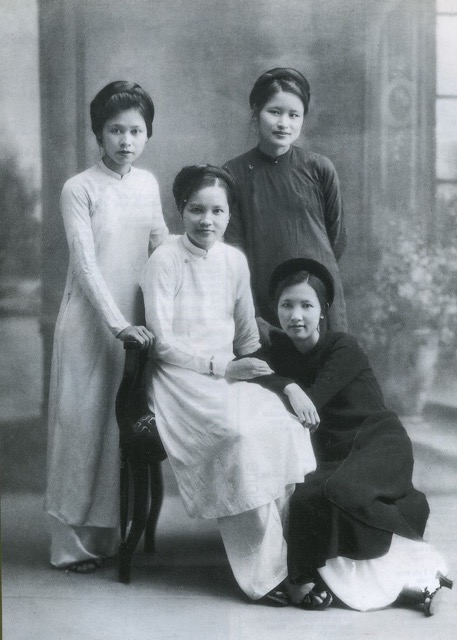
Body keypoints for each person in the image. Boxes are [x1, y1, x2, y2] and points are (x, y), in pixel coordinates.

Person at [140, 165, 316, 604]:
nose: (207, 221)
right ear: (180, 209)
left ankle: (298, 563)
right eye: (197, 209)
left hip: (226, 376)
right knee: (238, 437)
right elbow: (161, 345)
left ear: (228, 212)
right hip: (178, 380)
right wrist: (222, 366)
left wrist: (278, 381)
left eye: (217, 210)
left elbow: (249, 338)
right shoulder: (164, 259)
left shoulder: (233, 260)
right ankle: (265, 576)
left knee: (281, 426)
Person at [255, 257, 452, 614]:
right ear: (276, 308)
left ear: (323, 311)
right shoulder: (279, 352)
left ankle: (414, 570)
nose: (296, 315)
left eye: (306, 305)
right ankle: (386, 583)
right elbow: (250, 371)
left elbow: (313, 399)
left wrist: (296, 391)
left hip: (379, 443)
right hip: (335, 454)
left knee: (336, 493)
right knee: (303, 498)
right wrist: (286, 385)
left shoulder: (343, 347)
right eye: (287, 305)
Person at [45, 81, 169, 573]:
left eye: (136, 130)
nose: (125, 140)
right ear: (99, 132)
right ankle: (67, 545)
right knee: (79, 426)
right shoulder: (79, 188)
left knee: (115, 431)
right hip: (89, 323)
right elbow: (87, 265)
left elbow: (161, 245)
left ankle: (105, 537)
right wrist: (118, 325)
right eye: (115, 130)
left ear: (147, 134)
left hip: (133, 328)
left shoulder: (147, 184)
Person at [223, 67, 347, 335]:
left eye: (294, 115)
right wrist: (252, 312)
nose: (284, 123)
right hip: (264, 299)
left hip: (318, 296)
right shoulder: (234, 173)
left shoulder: (320, 168)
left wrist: (311, 281)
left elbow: (335, 239)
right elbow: (232, 251)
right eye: (274, 112)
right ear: (256, 113)